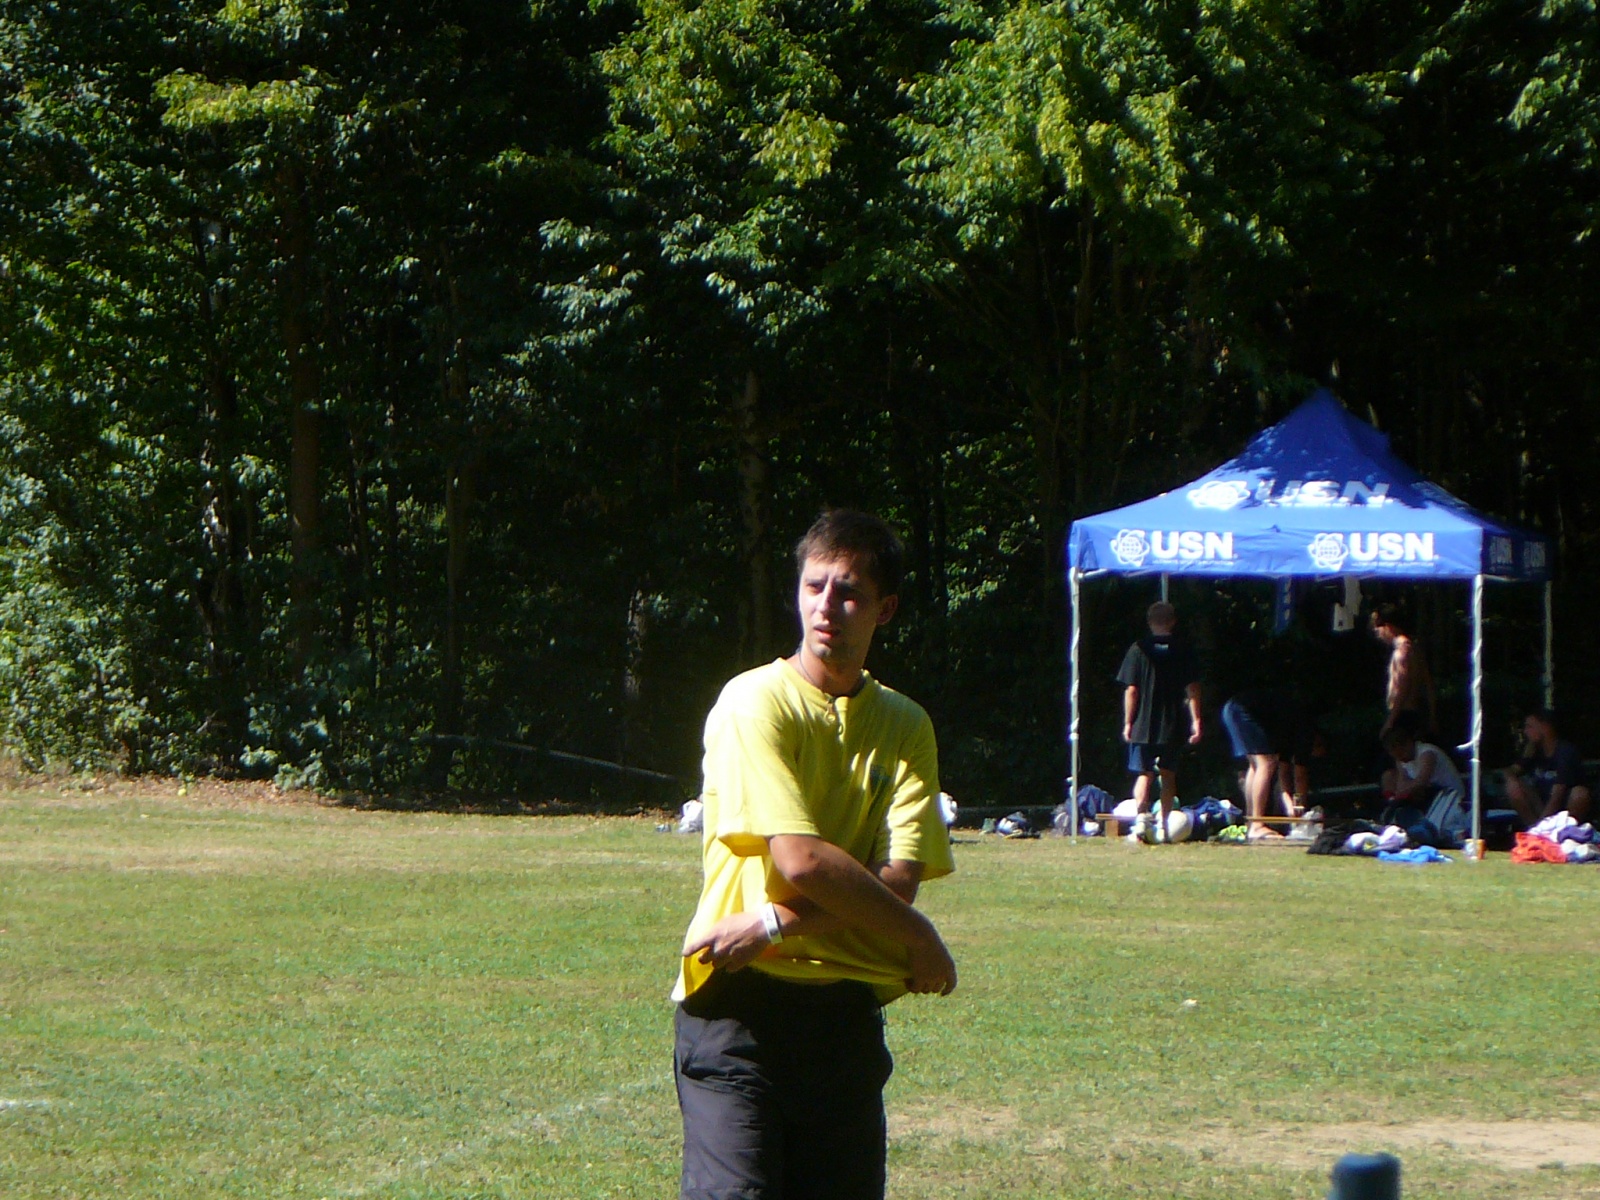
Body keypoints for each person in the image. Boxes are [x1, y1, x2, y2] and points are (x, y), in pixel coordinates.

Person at [672, 510, 957, 1200]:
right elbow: (800, 858)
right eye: (814, 586)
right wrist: (916, 937)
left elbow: (897, 881)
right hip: (737, 1007)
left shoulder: (905, 724)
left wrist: (773, 922)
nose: (827, 605)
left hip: (844, 1021)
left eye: (849, 591)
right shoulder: (754, 702)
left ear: (885, 609)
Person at [1116, 601, 1202, 838]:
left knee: (1144, 773)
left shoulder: (1137, 649)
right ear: (1173, 622)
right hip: (1173, 723)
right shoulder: (1183, 649)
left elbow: (1131, 690)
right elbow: (1192, 688)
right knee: (1168, 774)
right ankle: (1164, 826)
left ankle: (1141, 822)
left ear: (1149, 622)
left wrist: (1128, 722)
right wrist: (1196, 720)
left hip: (1143, 723)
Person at [1220, 687, 1323, 839]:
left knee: (1256, 765)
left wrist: (1290, 806)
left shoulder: (1290, 733)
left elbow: (1283, 773)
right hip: (1243, 710)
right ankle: (1257, 825)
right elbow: (1300, 777)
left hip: (1233, 709)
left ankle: (1251, 823)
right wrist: (1301, 808)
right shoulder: (1306, 732)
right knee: (1266, 763)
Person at [1379, 713, 1469, 844]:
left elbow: (1421, 782)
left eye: (1400, 752)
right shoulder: (1401, 761)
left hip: (1450, 797)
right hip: (1429, 799)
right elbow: (1401, 787)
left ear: (1408, 744)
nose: (1400, 757)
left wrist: (1404, 792)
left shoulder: (1427, 753)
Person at [1502, 709, 1592, 826]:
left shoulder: (1565, 752)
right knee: (1513, 785)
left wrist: (1544, 823)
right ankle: (1532, 828)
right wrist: (1524, 758)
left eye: (1530, 726)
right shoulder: (1533, 750)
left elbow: (1558, 795)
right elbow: (1509, 773)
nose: (1525, 731)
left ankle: (1563, 829)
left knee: (1579, 793)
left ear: (1545, 727)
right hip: (1541, 804)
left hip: (1563, 806)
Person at [1370, 603, 1436, 735]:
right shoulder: (1414, 649)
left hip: (1403, 716)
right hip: (1415, 713)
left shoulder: (1401, 652)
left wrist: (1390, 722)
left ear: (1388, 626)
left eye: (1378, 629)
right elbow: (1428, 684)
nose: (1378, 635)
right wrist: (1432, 716)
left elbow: (1401, 688)